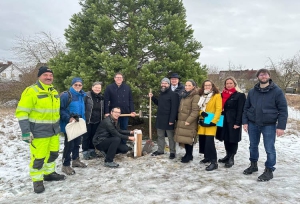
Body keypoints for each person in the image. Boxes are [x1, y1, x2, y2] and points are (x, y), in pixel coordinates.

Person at [15, 66, 66, 194]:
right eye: (45, 75)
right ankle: (37, 180)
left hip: (54, 131)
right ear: (39, 77)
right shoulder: (31, 91)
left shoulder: (54, 91)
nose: (49, 77)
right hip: (39, 133)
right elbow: (22, 112)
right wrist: (26, 131)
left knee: (53, 154)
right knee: (39, 158)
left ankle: (49, 173)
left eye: (50, 75)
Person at [242, 69, 288, 181]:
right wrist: (245, 122)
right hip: (253, 124)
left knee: (269, 148)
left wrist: (281, 126)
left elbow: (283, 110)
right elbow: (246, 108)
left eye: (265, 74)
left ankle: (269, 170)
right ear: (258, 77)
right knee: (253, 145)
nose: (263, 76)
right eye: (261, 74)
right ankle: (253, 165)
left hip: (269, 125)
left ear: (269, 76)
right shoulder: (252, 91)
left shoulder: (277, 91)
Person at [216, 76, 246, 168]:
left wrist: (238, 123)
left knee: (233, 139)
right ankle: (227, 155)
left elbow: (241, 110)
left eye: (230, 83)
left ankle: (231, 157)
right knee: (226, 138)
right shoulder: (221, 94)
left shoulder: (240, 95)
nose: (228, 85)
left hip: (233, 120)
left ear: (234, 84)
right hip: (223, 119)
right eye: (227, 83)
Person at [60, 77, 87, 175]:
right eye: (76, 85)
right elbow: (61, 109)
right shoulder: (66, 95)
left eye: (80, 85)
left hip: (78, 124)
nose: (78, 86)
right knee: (69, 145)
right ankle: (65, 165)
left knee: (77, 143)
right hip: (69, 124)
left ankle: (75, 160)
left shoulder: (82, 96)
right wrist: (69, 118)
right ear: (72, 85)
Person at [149, 77, 179, 159]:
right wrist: (153, 98)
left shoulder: (173, 95)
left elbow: (174, 109)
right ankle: (160, 150)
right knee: (160, 136)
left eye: (165, 83)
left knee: (170, 137)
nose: (163, 85)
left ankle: (172, 152)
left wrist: (172, 120)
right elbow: (160, 104)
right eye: (162, 83)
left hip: (169, 119)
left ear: (169, 85)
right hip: (160, 118)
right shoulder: (161, 93)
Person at [104, 72, 136, 145]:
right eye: (117, 77)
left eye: (120, 77)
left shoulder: (127, 87)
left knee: (124, 128)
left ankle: (123, 144)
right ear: (114, 78)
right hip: (113, 113)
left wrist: (132, 111)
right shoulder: (109, 87)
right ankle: (115, 144)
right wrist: (106, 112)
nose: (119, 79)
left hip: (125, 112)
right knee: (113, 129)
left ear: (122, 79)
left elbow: (130, 100)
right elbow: (106, 101)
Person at [198, 80, 222, 171]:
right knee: (203, 140)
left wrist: (214, 121)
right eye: (205, 85)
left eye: (209, 85)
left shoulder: (216, 95)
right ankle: (207, 157)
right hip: (203, 120)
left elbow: (218, 109)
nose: (207, 86)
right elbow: (199, 107)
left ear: (212, 86)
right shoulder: (202, 95)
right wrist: (201, 113)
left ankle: (214, 162)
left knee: (209, 142)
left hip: (211, 121)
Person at [174, 80, 200, 163]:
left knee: (189, 139)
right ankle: (187, 154)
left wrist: (189, 120)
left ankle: (189, 155)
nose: (187, 87)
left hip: (189, 121)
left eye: (189, 85)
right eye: (186, 85)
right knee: (184, 138)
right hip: (182, 119)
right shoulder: (184, 95)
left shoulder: (195, 96)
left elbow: (195, 110)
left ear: (193, 86)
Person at [83, 82, 104, 160]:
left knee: (93, 136)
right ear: (92, 87)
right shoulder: (87, 96)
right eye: (96, 87)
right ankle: (85, 151)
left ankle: (92, 150)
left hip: (97, 120)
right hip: (88, 119)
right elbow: (83, 106)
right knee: (86, 136)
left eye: (99, 88)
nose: (97, 89)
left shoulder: (101, 98)